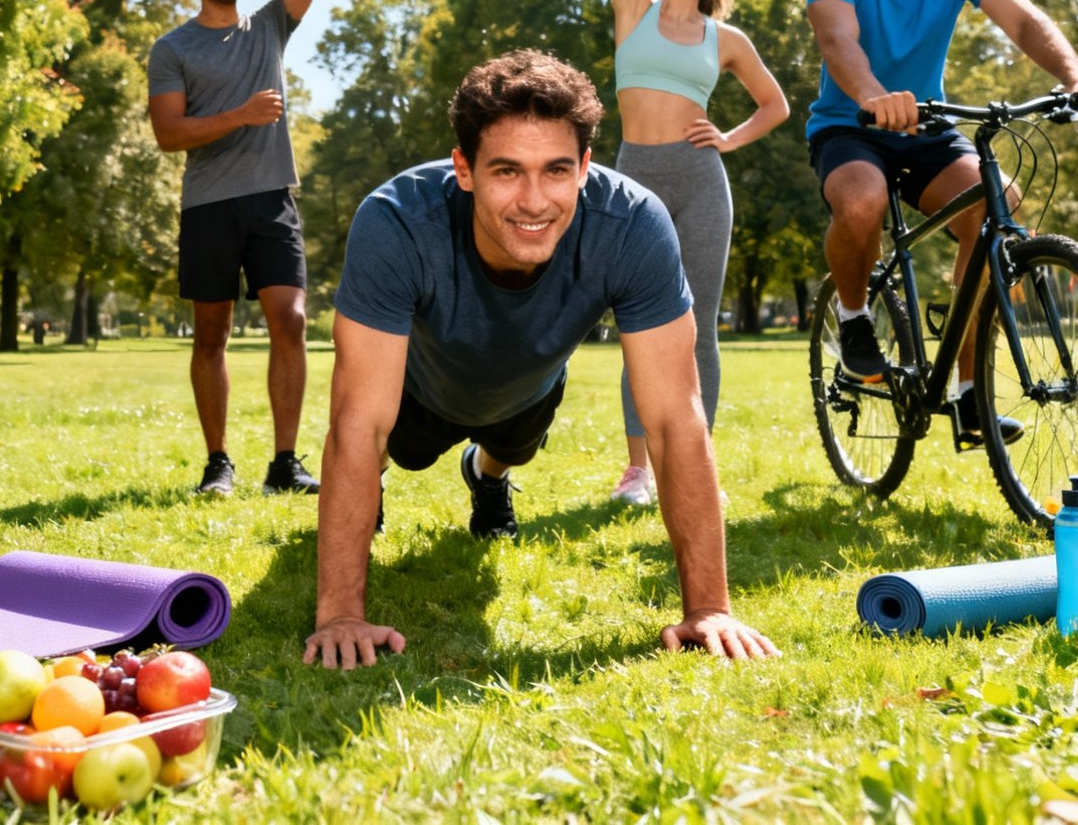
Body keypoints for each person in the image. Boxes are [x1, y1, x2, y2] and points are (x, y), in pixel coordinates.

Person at [303, 50, 780, 670]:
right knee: (390, 446)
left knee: (510, 448)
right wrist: (341, 614)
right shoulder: (396, 221)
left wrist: (709, 606)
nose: (534, 201)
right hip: (418, 391)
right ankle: (374, 496)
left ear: (584, 166)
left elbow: (673, 420)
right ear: (465, 169)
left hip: (526, 388)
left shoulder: (632, 224)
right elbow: (357, 425)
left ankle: (488, 476)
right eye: (506, 171)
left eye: (556, 170)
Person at [805, 0, 1078, 446]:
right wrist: (873, 95)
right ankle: (853, 316)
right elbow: (837, 40)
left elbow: (1024, 19)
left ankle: (970, 391)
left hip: (929, 126)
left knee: (996, 206)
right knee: (863, 201)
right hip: (852, 125)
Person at [604, 0, 789, 505]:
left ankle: (692, 464)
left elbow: (775, 106)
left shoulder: (725, 39)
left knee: (696, 326)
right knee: (640, 322)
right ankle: (639, 471)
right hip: (636, 179)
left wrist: (730, 139)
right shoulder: (634, 10)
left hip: (701, 181)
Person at [147, 0, 326, 497]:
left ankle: (284, 464)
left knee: (291, 320)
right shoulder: (172, 48)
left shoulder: (269, 26)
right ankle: (218, 463)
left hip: (271, 198)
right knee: (211, 334)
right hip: (209, 205)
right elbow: (169, 134)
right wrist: (241, 116)